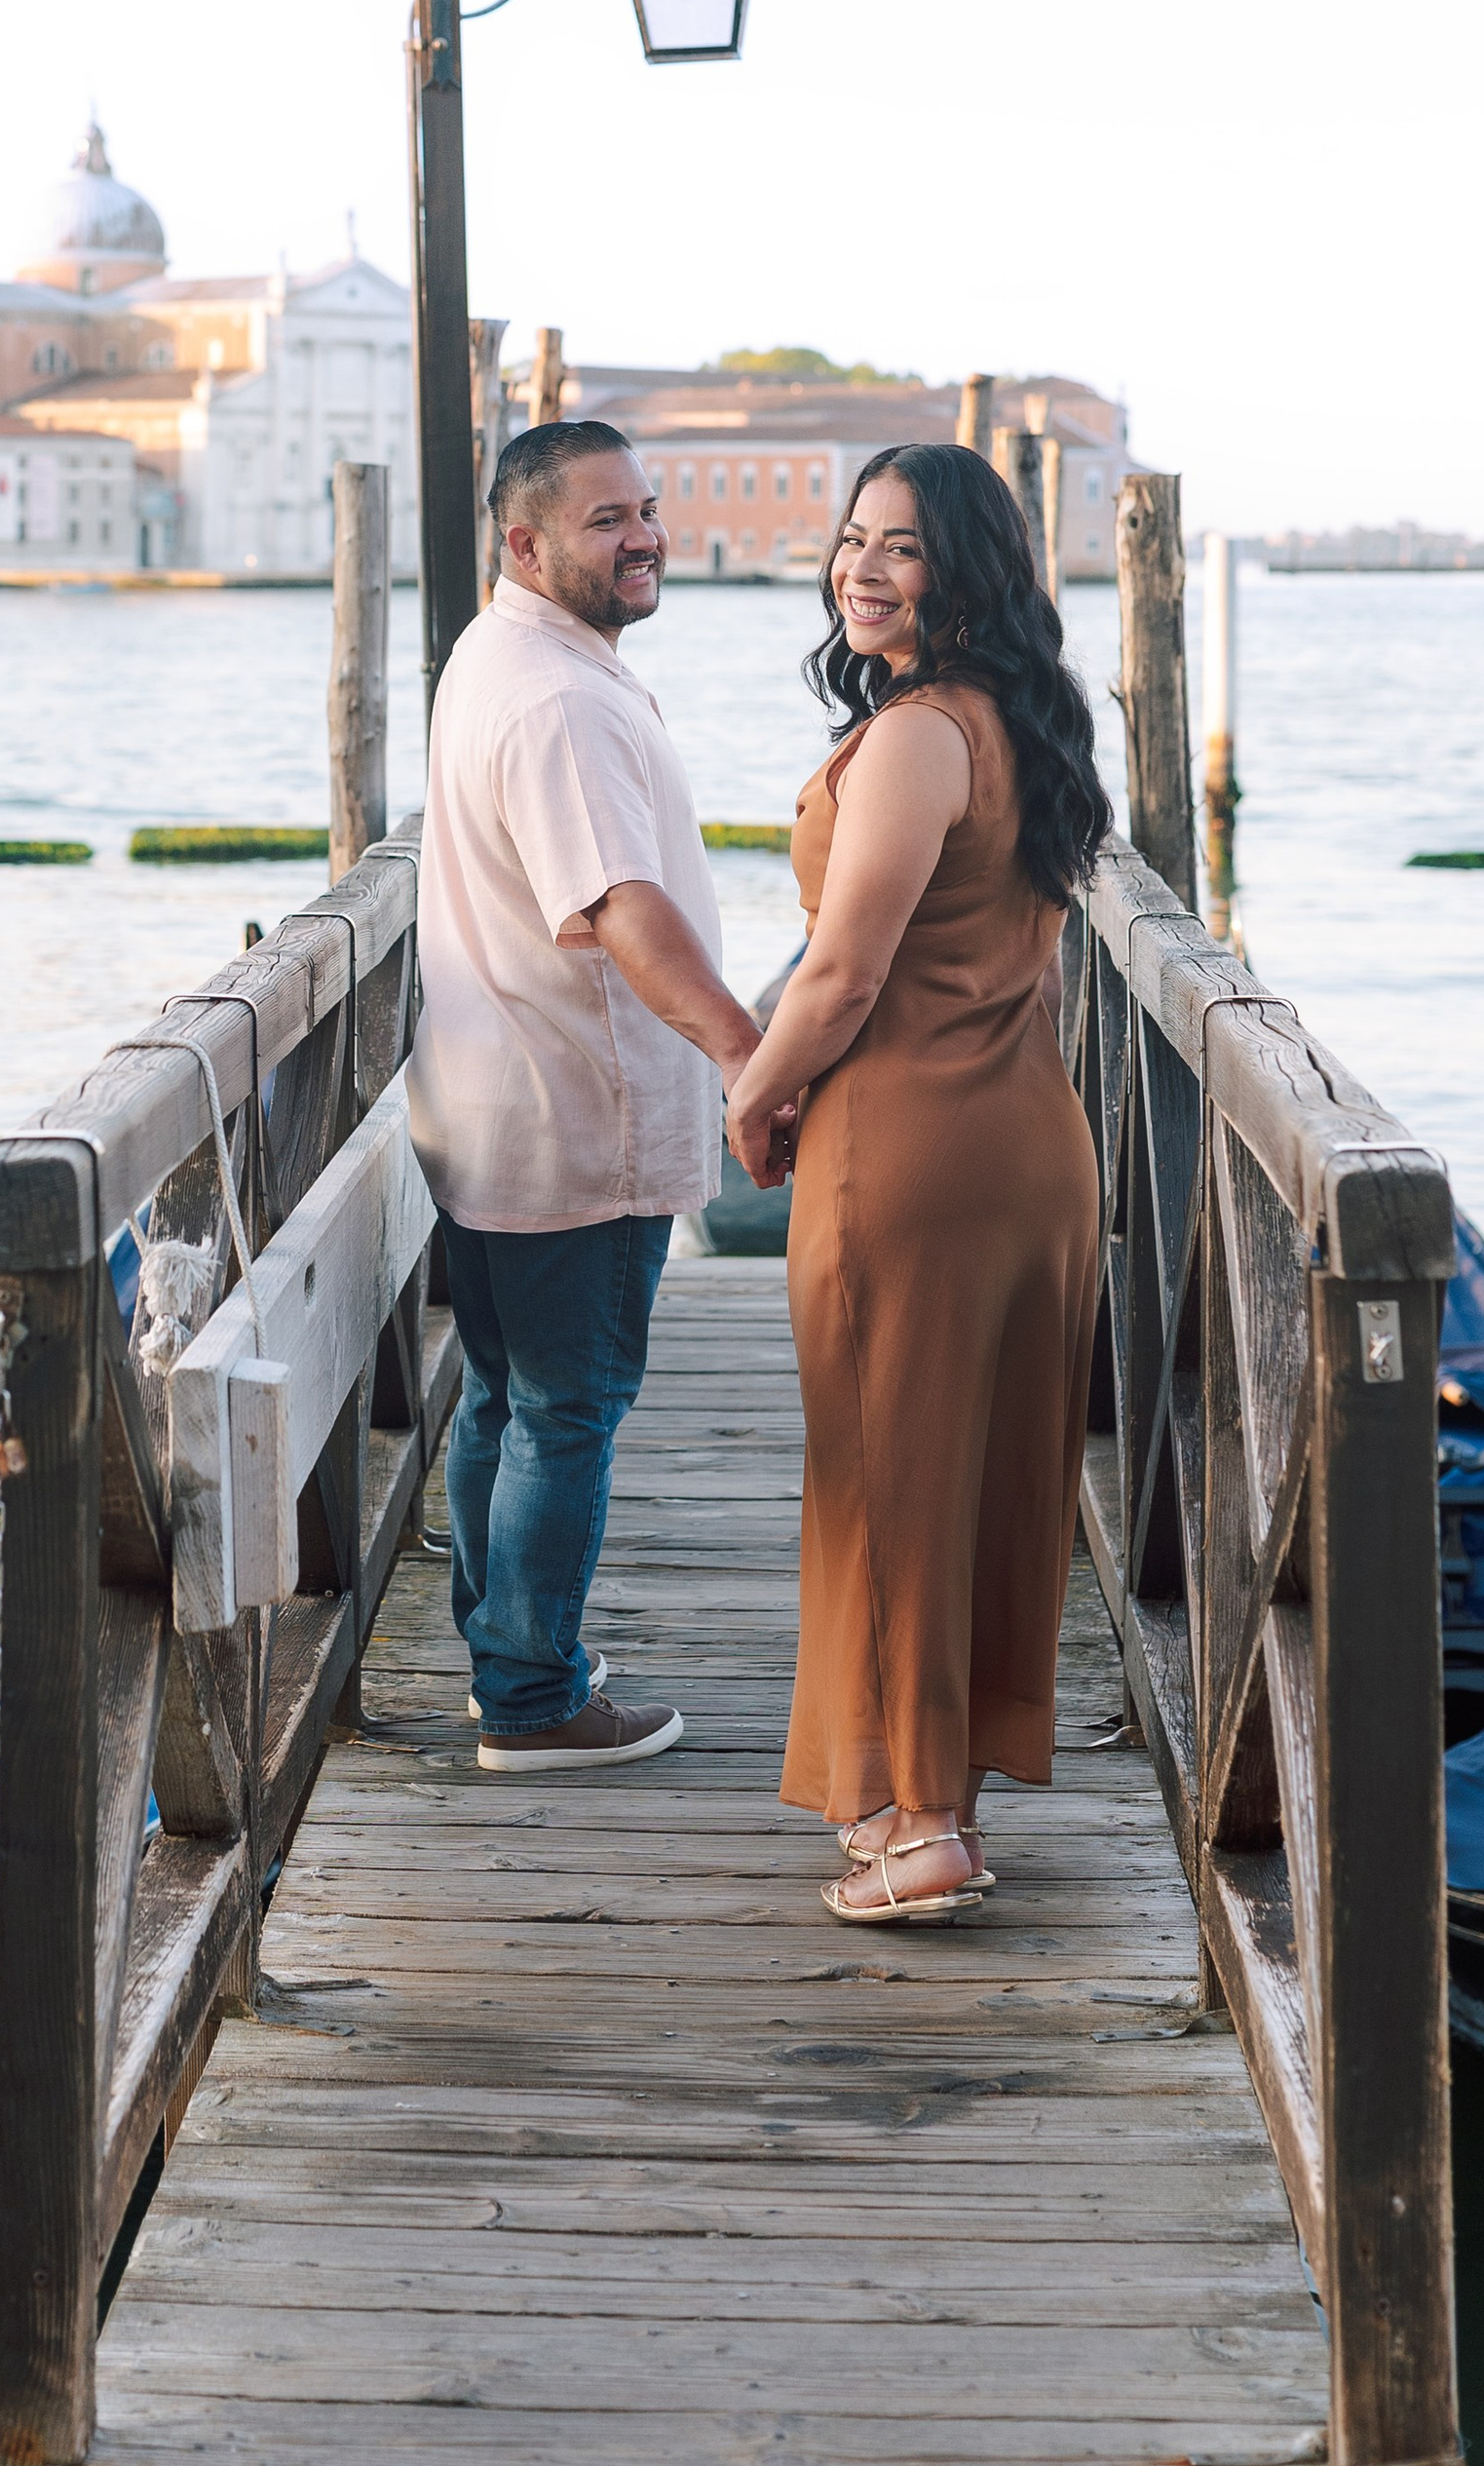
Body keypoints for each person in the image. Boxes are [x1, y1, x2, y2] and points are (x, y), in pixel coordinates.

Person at [727, 442, 1108, 1921]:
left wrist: (753, 1101)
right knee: (982, 1474)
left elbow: (839, 976)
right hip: (1028, 1143)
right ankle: (919, 1790)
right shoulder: (1027, 722)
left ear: (967, 572)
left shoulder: (914, 739)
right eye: (853, 538)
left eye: (903, 547)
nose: (863, 568)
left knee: (884, 1482)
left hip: (909, 1147)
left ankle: (919, 1824)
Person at [408, 418, 761, 1774]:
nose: (645, 536)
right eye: (607, 519)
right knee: (566, 1408)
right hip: (573, 1116)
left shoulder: (500, 653)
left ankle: (509, 1650)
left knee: (506, 1397)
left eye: (647, 509)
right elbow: (617, 906)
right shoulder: (558, 698)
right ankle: (537, 1702)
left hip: (493, 1110)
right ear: (526, 542)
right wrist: (746, 1055)